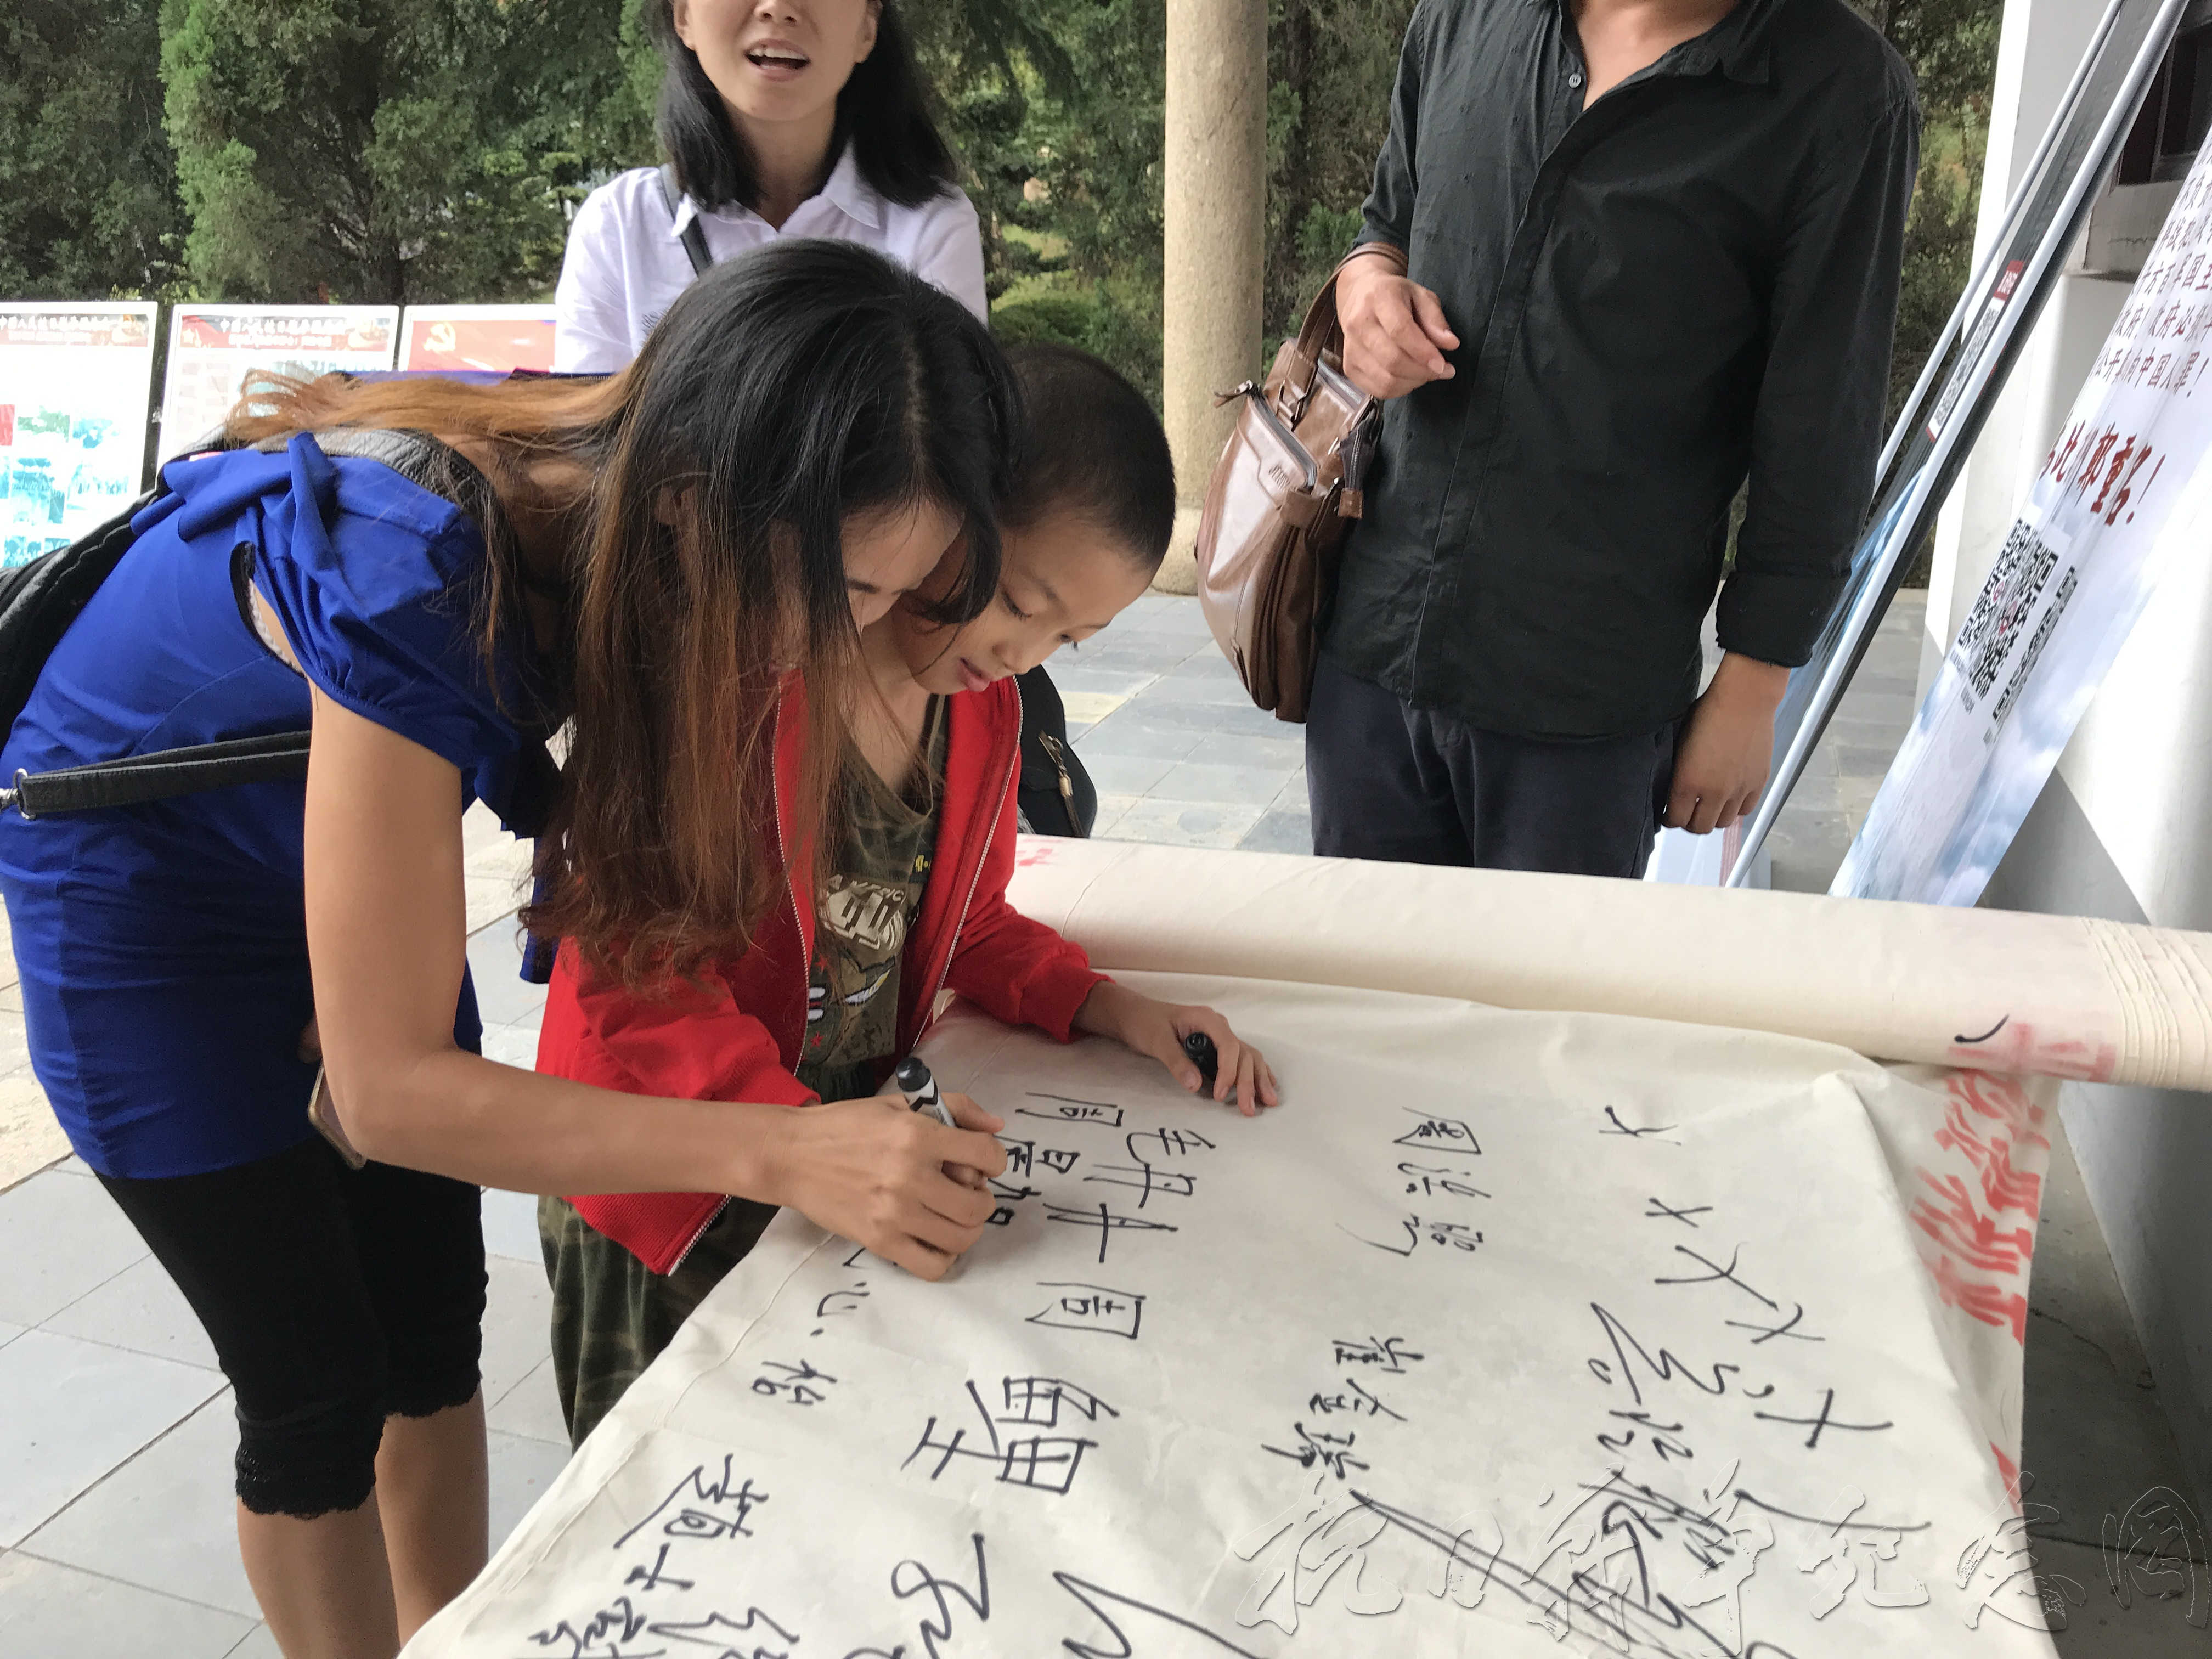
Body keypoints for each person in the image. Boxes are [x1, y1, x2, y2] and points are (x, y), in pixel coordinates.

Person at [0, 242, 1019, 1659]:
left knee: (432, 1318)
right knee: (313, 1386)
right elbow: (391, 1097)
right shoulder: (414, 563)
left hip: (331, 840)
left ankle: (457, 1637)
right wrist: (789, 1150)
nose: (838, 642)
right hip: (140, 903)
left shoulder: (645, 472)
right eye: (840, 591)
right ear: (700, 495)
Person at [535, 343, 1282, 1445]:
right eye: (1017, 602)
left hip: (843, 1164)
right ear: (941, 517)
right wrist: (810, 1143)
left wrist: (1114, 1007)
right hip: (670, 1185)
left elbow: (964, 918)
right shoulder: (739, 677)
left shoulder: (980, 710)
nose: (1023, 653)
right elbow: (637, 982)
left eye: (1068, 640)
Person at [1307, 0, 1920, 877]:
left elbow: (1824, 422)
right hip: (1373, 647)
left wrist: (1754, 685)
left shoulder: (1843, 93)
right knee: (1358, 966)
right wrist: (1367, 289)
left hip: (1584, 705)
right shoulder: (1463, 16)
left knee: (1550, 974)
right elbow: (1387, 225)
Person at [554, 0, 985, 371]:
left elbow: (948, 432)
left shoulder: (930, 228)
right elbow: (586, 440)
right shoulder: (618, 229)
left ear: (868, 27)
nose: (777, 8)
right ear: (683, 14)